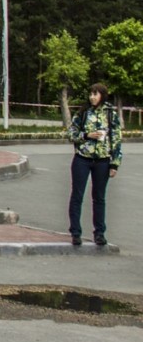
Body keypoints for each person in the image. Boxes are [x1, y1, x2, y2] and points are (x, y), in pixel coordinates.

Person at [66, 83, 122, 246]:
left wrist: (115, 164)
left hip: (103, 160)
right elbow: (71, 134)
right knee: (77, 195)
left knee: (99, 197)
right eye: (90, 94)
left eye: (95, 94)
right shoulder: (83, 112)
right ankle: (75, 232)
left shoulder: (111, 114)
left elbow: (117, 139)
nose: (92, 97)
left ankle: (99, 233)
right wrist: (86, 135)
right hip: (82, 158)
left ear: (103, 95)